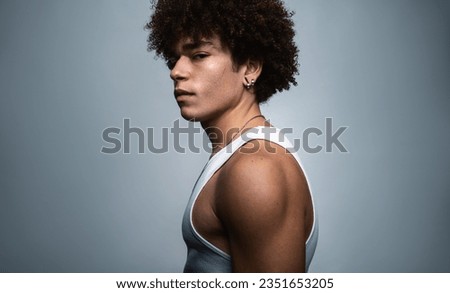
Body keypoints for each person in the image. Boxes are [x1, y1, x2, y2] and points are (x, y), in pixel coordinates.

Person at [146, 0, 318, 273]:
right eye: (173, 58)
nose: (176, 71)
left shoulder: (255, 169)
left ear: (250, 68)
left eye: (199, 55)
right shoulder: (235, 158)